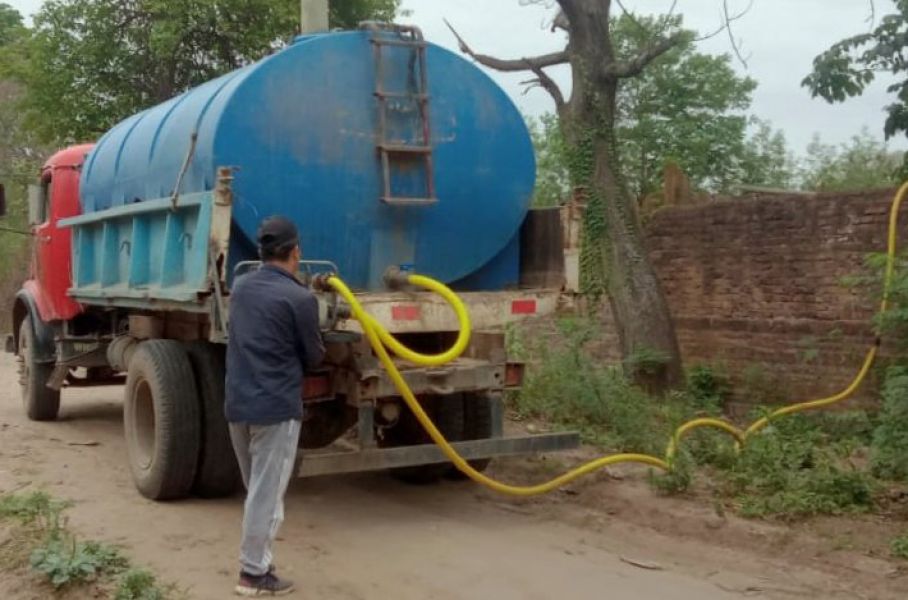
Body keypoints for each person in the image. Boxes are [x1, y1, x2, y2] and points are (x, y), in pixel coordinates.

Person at [225, 216, 325, 596]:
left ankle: (259, 563)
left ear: (262, 252)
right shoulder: (300, 298)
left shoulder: (242, 286)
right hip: (275, 409)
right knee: (266, 496)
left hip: (238, 403)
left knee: (258, 492)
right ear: (295, 252)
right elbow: (314, 356)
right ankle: (253, 574)